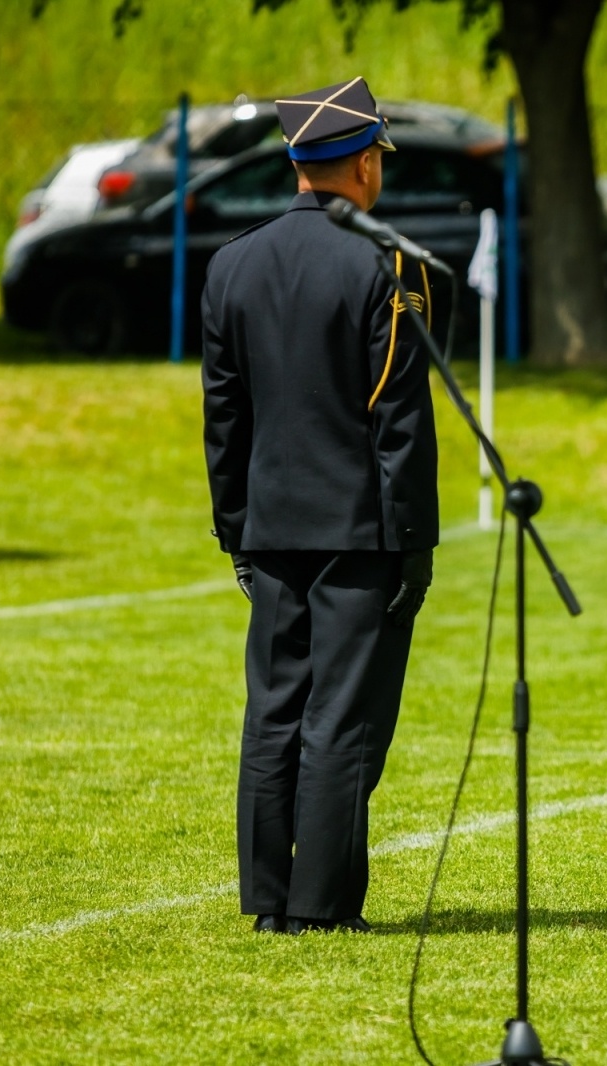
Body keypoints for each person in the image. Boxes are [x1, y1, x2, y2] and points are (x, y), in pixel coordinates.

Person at [201, 76, 438, 934]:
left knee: (272, 715)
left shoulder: (232, 263)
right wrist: (413, 541)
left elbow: (224, 414)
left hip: (271, 527)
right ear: (365, 164)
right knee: (341, 719)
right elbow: (398, 420)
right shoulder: (389, 265)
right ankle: (323, 907)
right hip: (360, 529)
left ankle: (269, 902)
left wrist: (236, 527)